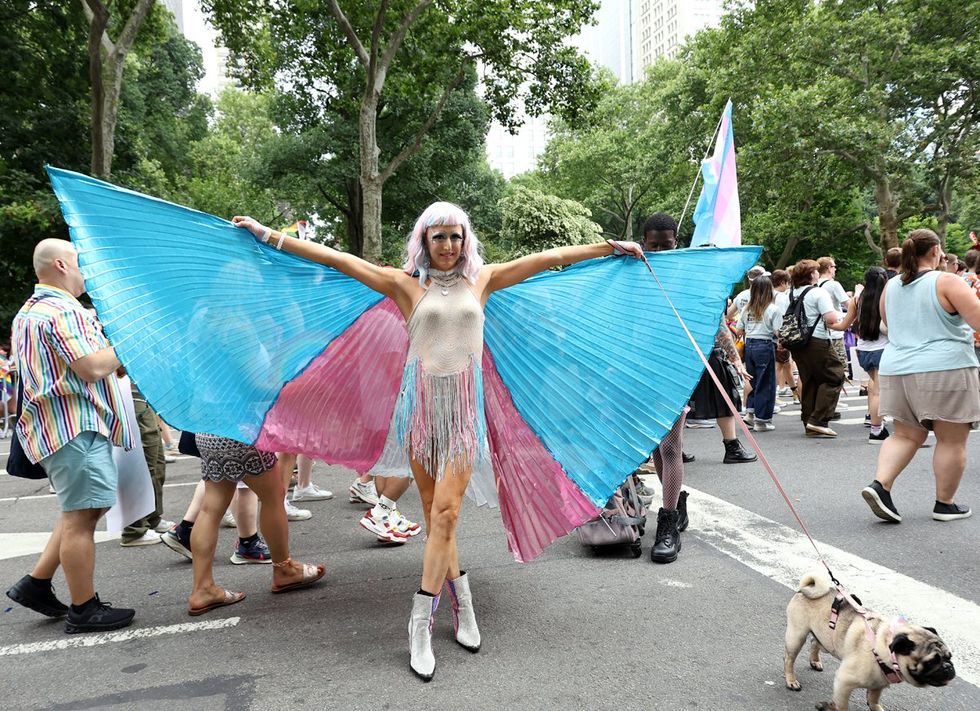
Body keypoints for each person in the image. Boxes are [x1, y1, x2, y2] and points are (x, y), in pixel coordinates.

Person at [232, 202, 646, 681]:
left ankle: (420, 623)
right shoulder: (406, 285)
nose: (448, 246)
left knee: (447, 514)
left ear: (465, 240)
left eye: (455, 236)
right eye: (439, 237)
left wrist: (608, 248)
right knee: (435, 520)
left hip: (464, 416)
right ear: (424, 242)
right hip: (421, 415)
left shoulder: (482, 281)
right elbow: (337, 260)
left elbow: (546, 259)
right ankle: (463, 603)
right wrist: (269, 235)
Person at [4, 238, 136, 634]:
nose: (86, 272)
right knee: (83, 517)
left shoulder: (31, 311)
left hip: (56, 426)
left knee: (79, 509)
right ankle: (84, 608)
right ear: (61, 266)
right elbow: (93, 366)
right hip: (74, 425)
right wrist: (127, 343)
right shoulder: (63, 310)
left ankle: (37, 584)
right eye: (81, 263)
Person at [861, 229, 980, 524]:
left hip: (897, 368)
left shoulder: (892, 287)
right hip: (945, 367)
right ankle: (945, 503)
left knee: (905, 435)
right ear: (936, 250)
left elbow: (889, 323)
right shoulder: (947, 281)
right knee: (951, 439)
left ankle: (881, 485)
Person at [640, 213, 692, 564]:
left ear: (677, 243)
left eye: (666, 245)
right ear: (643, 243)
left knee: (671, 446)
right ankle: (679, 502)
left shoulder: (687, 275)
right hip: (639, 370)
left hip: (675, 369)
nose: (659, 252)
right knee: (657, 447)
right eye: (653, 246)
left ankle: (669, 521)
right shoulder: (631, 273)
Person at [787, 259, 849, 437]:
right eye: (815, 271)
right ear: (811, 275)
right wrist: (845, 315)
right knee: (835, 375)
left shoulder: (792, 293)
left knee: (810, 379)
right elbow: (830, 318)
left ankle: (809, 420)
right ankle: (818, 420)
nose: (817, 273)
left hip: (797, 342)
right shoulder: (818, 293)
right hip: (817, 340)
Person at [119, 377, 174, 546]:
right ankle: (134, 529)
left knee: (156, 463)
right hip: (129, 399)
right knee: (142, 465)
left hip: (142, 398)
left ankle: (151, 518)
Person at [734, 275, 782, 432]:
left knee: (754, 381)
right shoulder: (773, 309)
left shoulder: (747, 308)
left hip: (750, 345)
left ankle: (751, 412)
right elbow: (777, 331)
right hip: (765, 345)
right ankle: (762, 420)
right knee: (766, 383)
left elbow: (739, 330)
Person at [853, 267, 890, 443]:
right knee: (878, 392)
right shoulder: (886, 299)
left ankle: (877, 426)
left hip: (863, 350)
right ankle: (876, 431)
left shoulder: (860, 299)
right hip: (881, 349)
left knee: (875, 388)